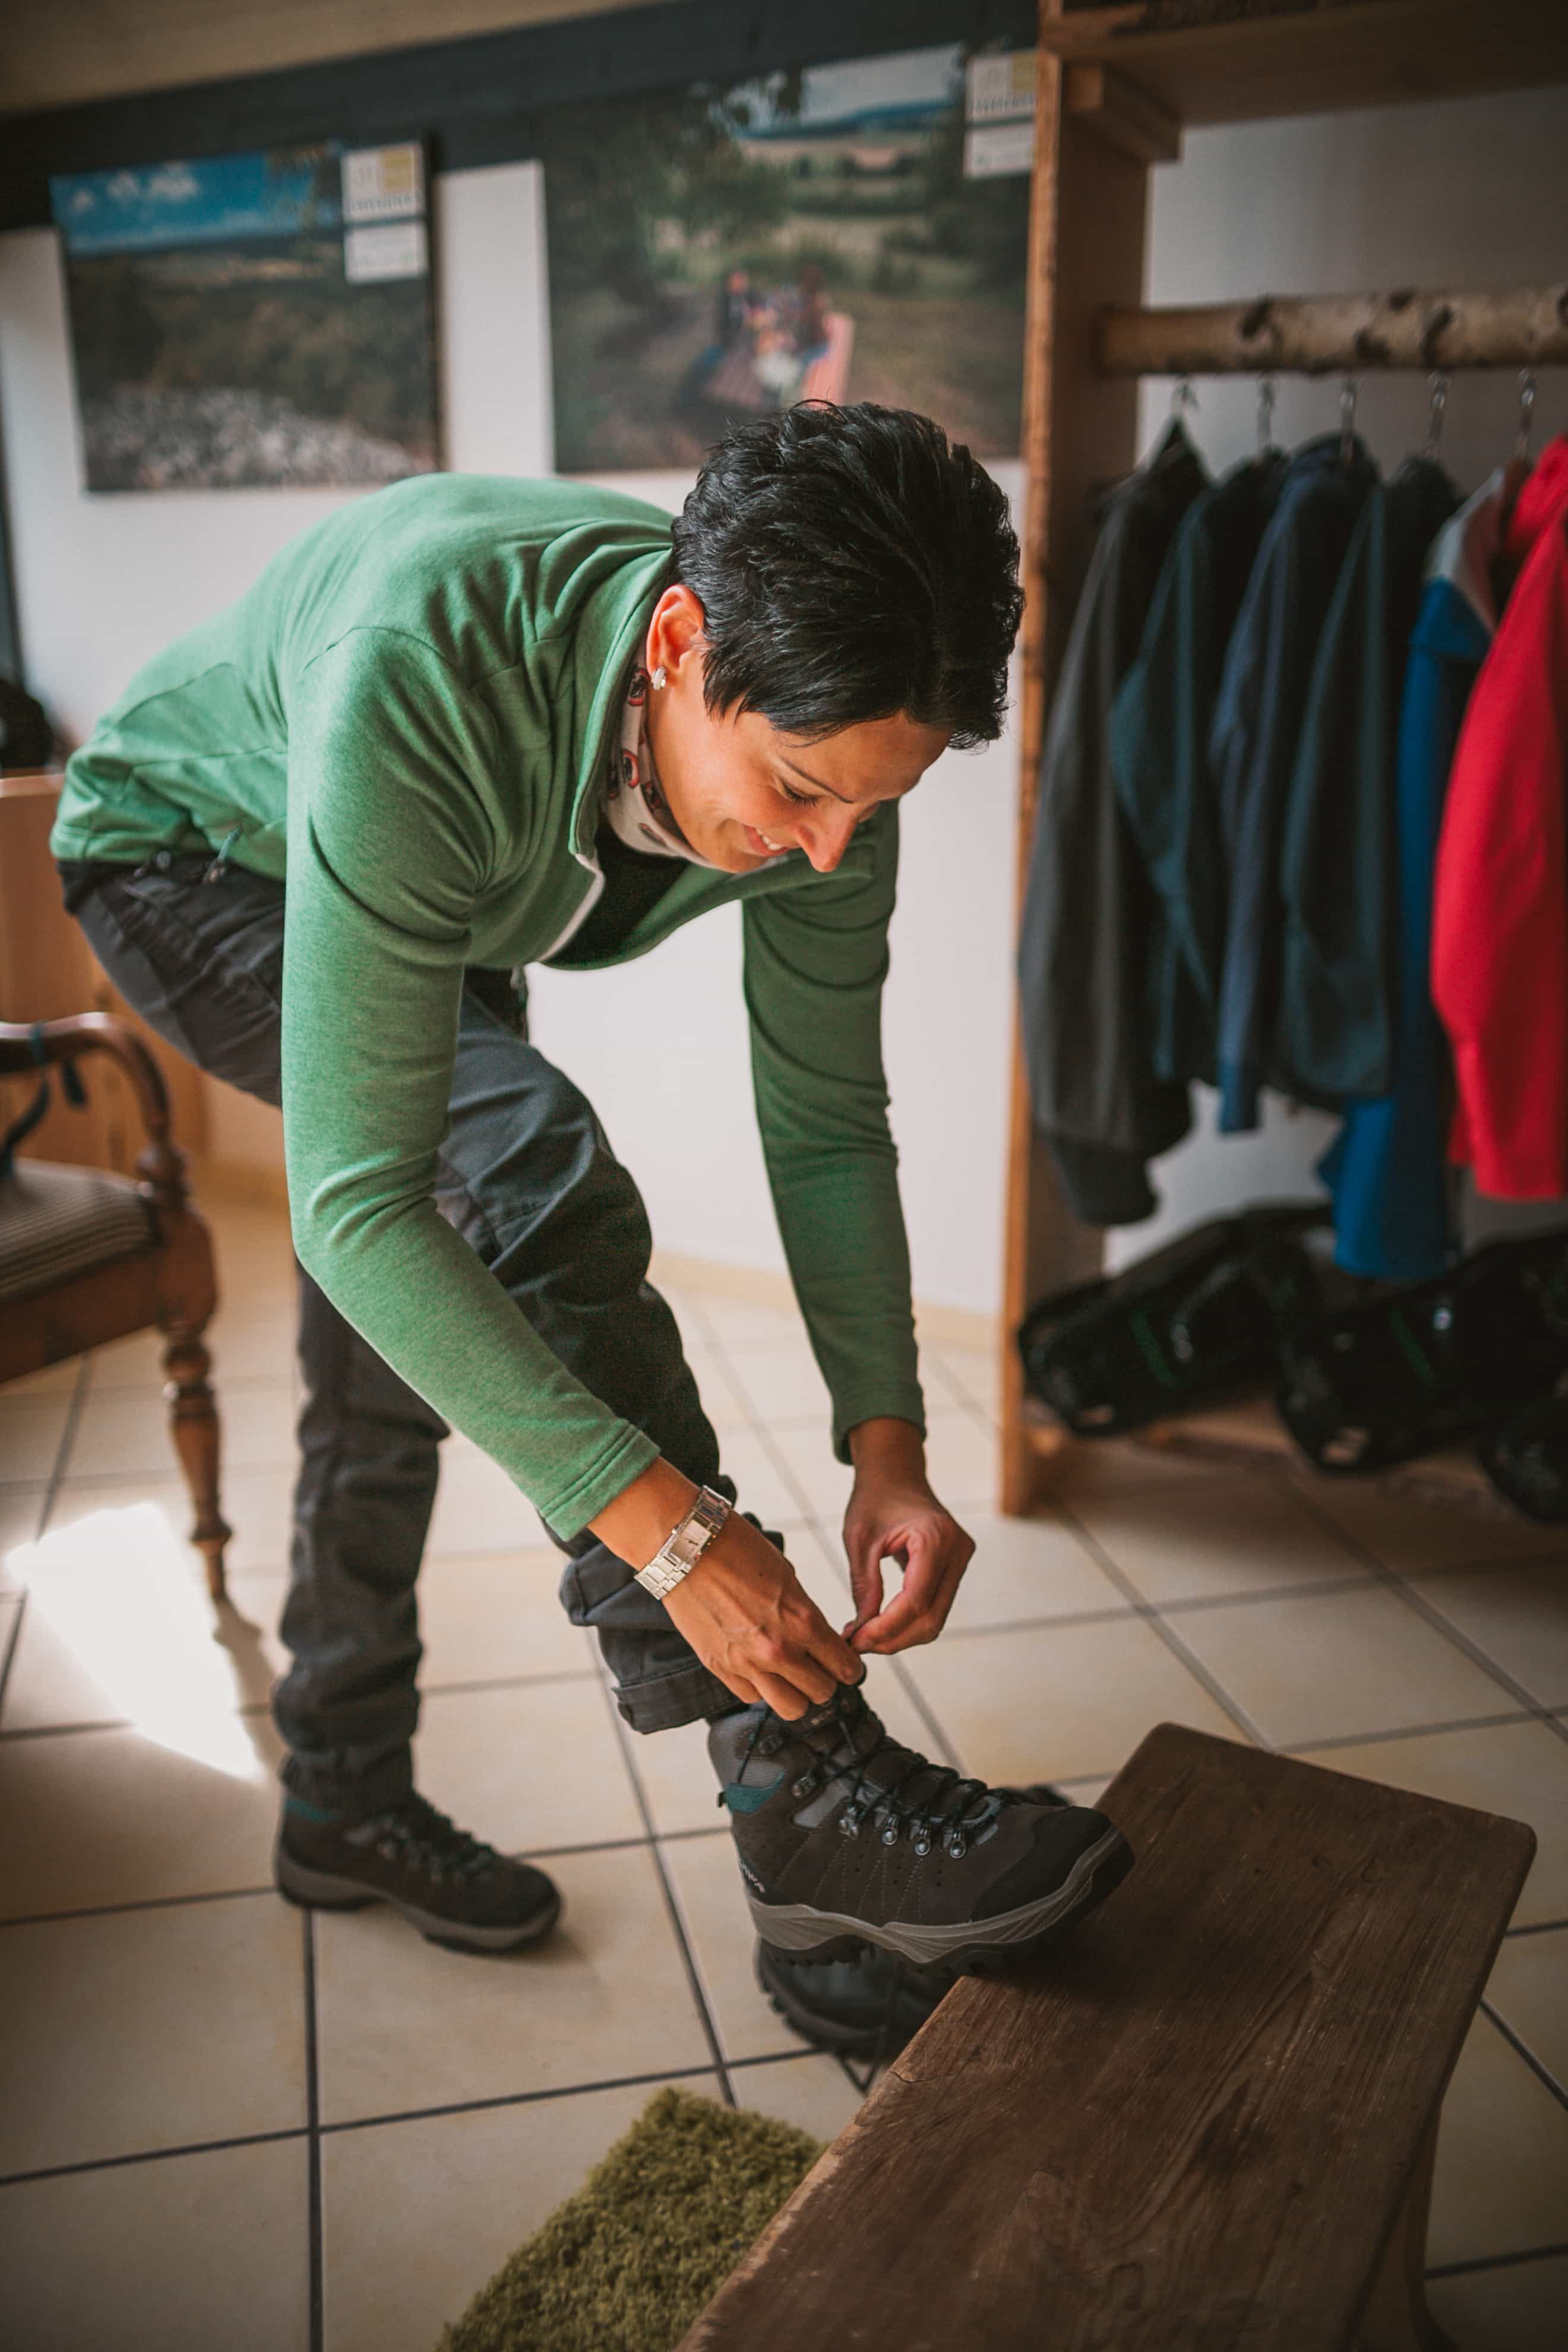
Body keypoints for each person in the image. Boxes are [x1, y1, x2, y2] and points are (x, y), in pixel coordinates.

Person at [52, 403, 1131, 2047]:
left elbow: (827, 1122)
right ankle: (807, 1799)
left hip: (433, 875)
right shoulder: (428, 669)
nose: (826, 852)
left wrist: (887, 1444)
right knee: (524, 1177)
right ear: (681, 646)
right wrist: (678, 1540)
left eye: (868, 806)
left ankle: (339, 1788)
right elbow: (348, 1211)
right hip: (199, 856)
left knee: (424, 1330)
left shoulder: (841, 747)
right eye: (792, 792)